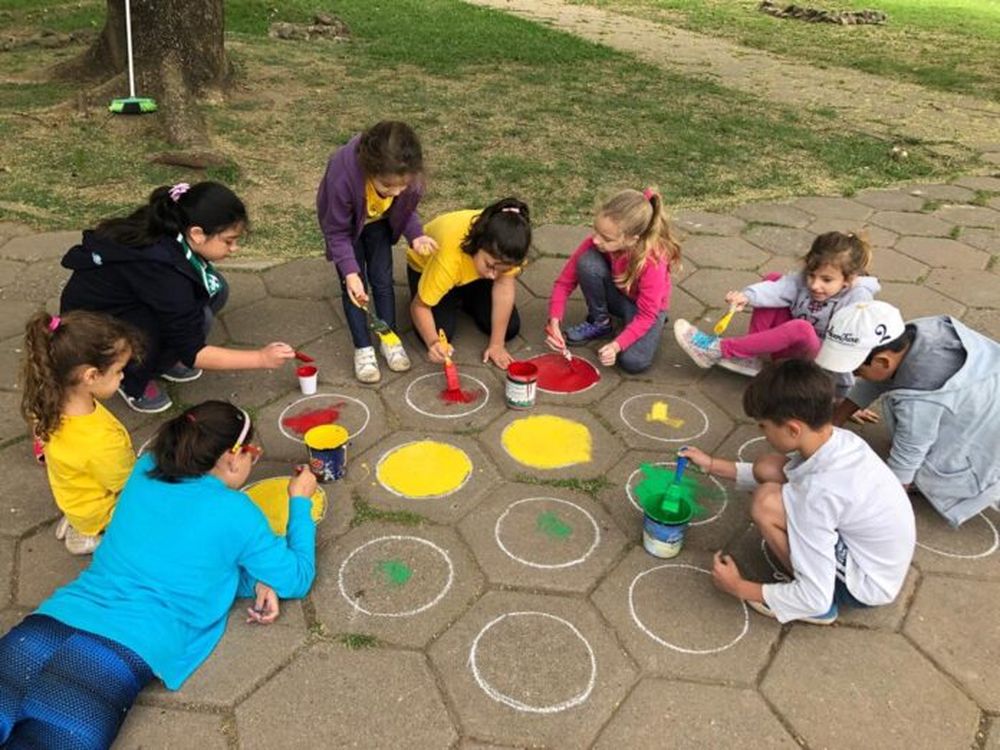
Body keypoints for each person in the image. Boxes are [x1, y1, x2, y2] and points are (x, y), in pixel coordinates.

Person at [0, 401, 317, 749]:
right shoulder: (236, 511)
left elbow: (193, 562)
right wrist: (299, 501)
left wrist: (255, 580)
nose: (253, 460)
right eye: (252, 454)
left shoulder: (146, 468)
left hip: (48, 623)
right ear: (230, 458)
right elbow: (297, 578)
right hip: (119, 649)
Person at [680, 359, 915, 625]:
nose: (762, 433)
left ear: (793, 429)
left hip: (862, 583)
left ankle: (820, 613)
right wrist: (712, 465)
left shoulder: (821, 494)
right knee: (768, 467)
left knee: (767, 503)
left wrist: (738, 587)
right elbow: (784, 474)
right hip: (873, 552)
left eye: (764, 426)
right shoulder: (837, 440)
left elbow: (815, 594)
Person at [60, 181, 295, 413]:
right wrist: (260, 358)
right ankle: (132, 377)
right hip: (91, 335)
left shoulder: (171, 226)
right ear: (197, 234)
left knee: (215, 290)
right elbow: (194, 351)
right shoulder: (165, 273)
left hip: (117, 307)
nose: (234, 249)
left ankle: (163, 360)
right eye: (228, 241)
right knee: (198, 318)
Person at [819, 301, 1000, 527]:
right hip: (985, 396)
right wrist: (834, 422)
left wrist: (880, 510)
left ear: (883, 361)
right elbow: (877, 379)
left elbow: (909, 451)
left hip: (987, 437)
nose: (855, 376)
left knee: (978, 476)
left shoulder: (922, 394)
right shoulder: (911, 336)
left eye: (857, 370)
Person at [673, 231, 878, 394]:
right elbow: (778, 289)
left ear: (849, 279)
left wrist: (844, 393)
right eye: (811, 275)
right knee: (773, 279)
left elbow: (851, 348)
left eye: (826, 280)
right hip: (792, 348)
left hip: (818, 366)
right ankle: (750, 355)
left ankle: (717, 350)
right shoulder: (804, 279)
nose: (815, 285)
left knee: (802, 328)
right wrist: (747, 296)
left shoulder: (858, 300)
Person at [316, 121, 437, 383]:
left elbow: (405, 210)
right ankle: (363, 348)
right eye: (387, 188)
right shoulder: (343, 176)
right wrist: (350, 272)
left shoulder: (407, 176)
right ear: (370, 171)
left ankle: (389, 338)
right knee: (356, 291)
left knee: (383, 281)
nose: (395, 193)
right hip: (347, 231)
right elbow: (336, 232)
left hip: (379, 225)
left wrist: (415, 235)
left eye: (401, 188)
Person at [20, 310, 143, 555]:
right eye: (118, 371)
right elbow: (125, 482)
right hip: (100, 508)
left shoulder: (47, 402)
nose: (122, 376)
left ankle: (79, 522)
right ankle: (88, 534)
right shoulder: (100, 440)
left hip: (74, 495)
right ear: (91, 376)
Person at [545, 188, 680, 373]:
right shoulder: (597, 242)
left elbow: (647, 315)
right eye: (596, 231)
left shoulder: (653, 261)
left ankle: (655, 321)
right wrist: (554, 321)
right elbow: (564, 282)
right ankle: (601, 323)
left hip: (646, 310)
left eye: (606, 238)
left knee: (633, 362)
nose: (596, 240)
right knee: (587, 262)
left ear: (633, 239)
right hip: (620, 293)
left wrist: (616, 346)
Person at [408, 197, 530, 369]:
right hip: (427, 266)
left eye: (502, 270)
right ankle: (455, 295)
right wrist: (433, 342)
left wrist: (497, 345)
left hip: (469, 273)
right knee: (441, 333)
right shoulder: (448, 258)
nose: (493, 276)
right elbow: (419, 307)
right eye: (490, 266)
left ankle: (463, 297)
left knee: (509, 328)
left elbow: (503, 286)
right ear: (478, 244)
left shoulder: (510, 248)